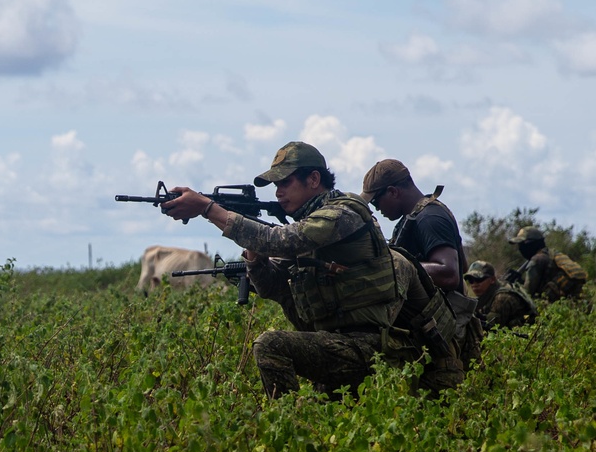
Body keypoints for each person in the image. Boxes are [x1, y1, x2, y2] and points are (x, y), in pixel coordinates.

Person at [161, 141, 463, 399]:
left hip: (376, 348)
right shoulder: (311, 228)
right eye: (276, 185)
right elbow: (273, 288)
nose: (278, 192)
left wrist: (207, 208)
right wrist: (255, 258)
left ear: (314, 179)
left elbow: (278, 239)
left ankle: (289, 429)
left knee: (271, 344)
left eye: (285, 182)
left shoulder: (343, 213)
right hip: (344, 348)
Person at [360, 159, 482, 371]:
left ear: (393, 192)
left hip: (441, 335)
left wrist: (392, 265)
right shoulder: (417, 217)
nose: (376, 208)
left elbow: (450, 273)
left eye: (376, 201)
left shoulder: (430, 218)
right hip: (433, 330)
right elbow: (463, 265)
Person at [507, 226, 588, 301]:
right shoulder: (552, 254)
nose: (520, 248)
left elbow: (527, 294)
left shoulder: (537, 260)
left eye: (522, 244)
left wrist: (512, 287)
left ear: (530, 244)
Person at [463, 260, 537, 331]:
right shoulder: (488, 293)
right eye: (471, 281)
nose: (474, 285)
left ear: (492, 279)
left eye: (479, 279)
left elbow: (490, 328)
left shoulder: (501, 298)